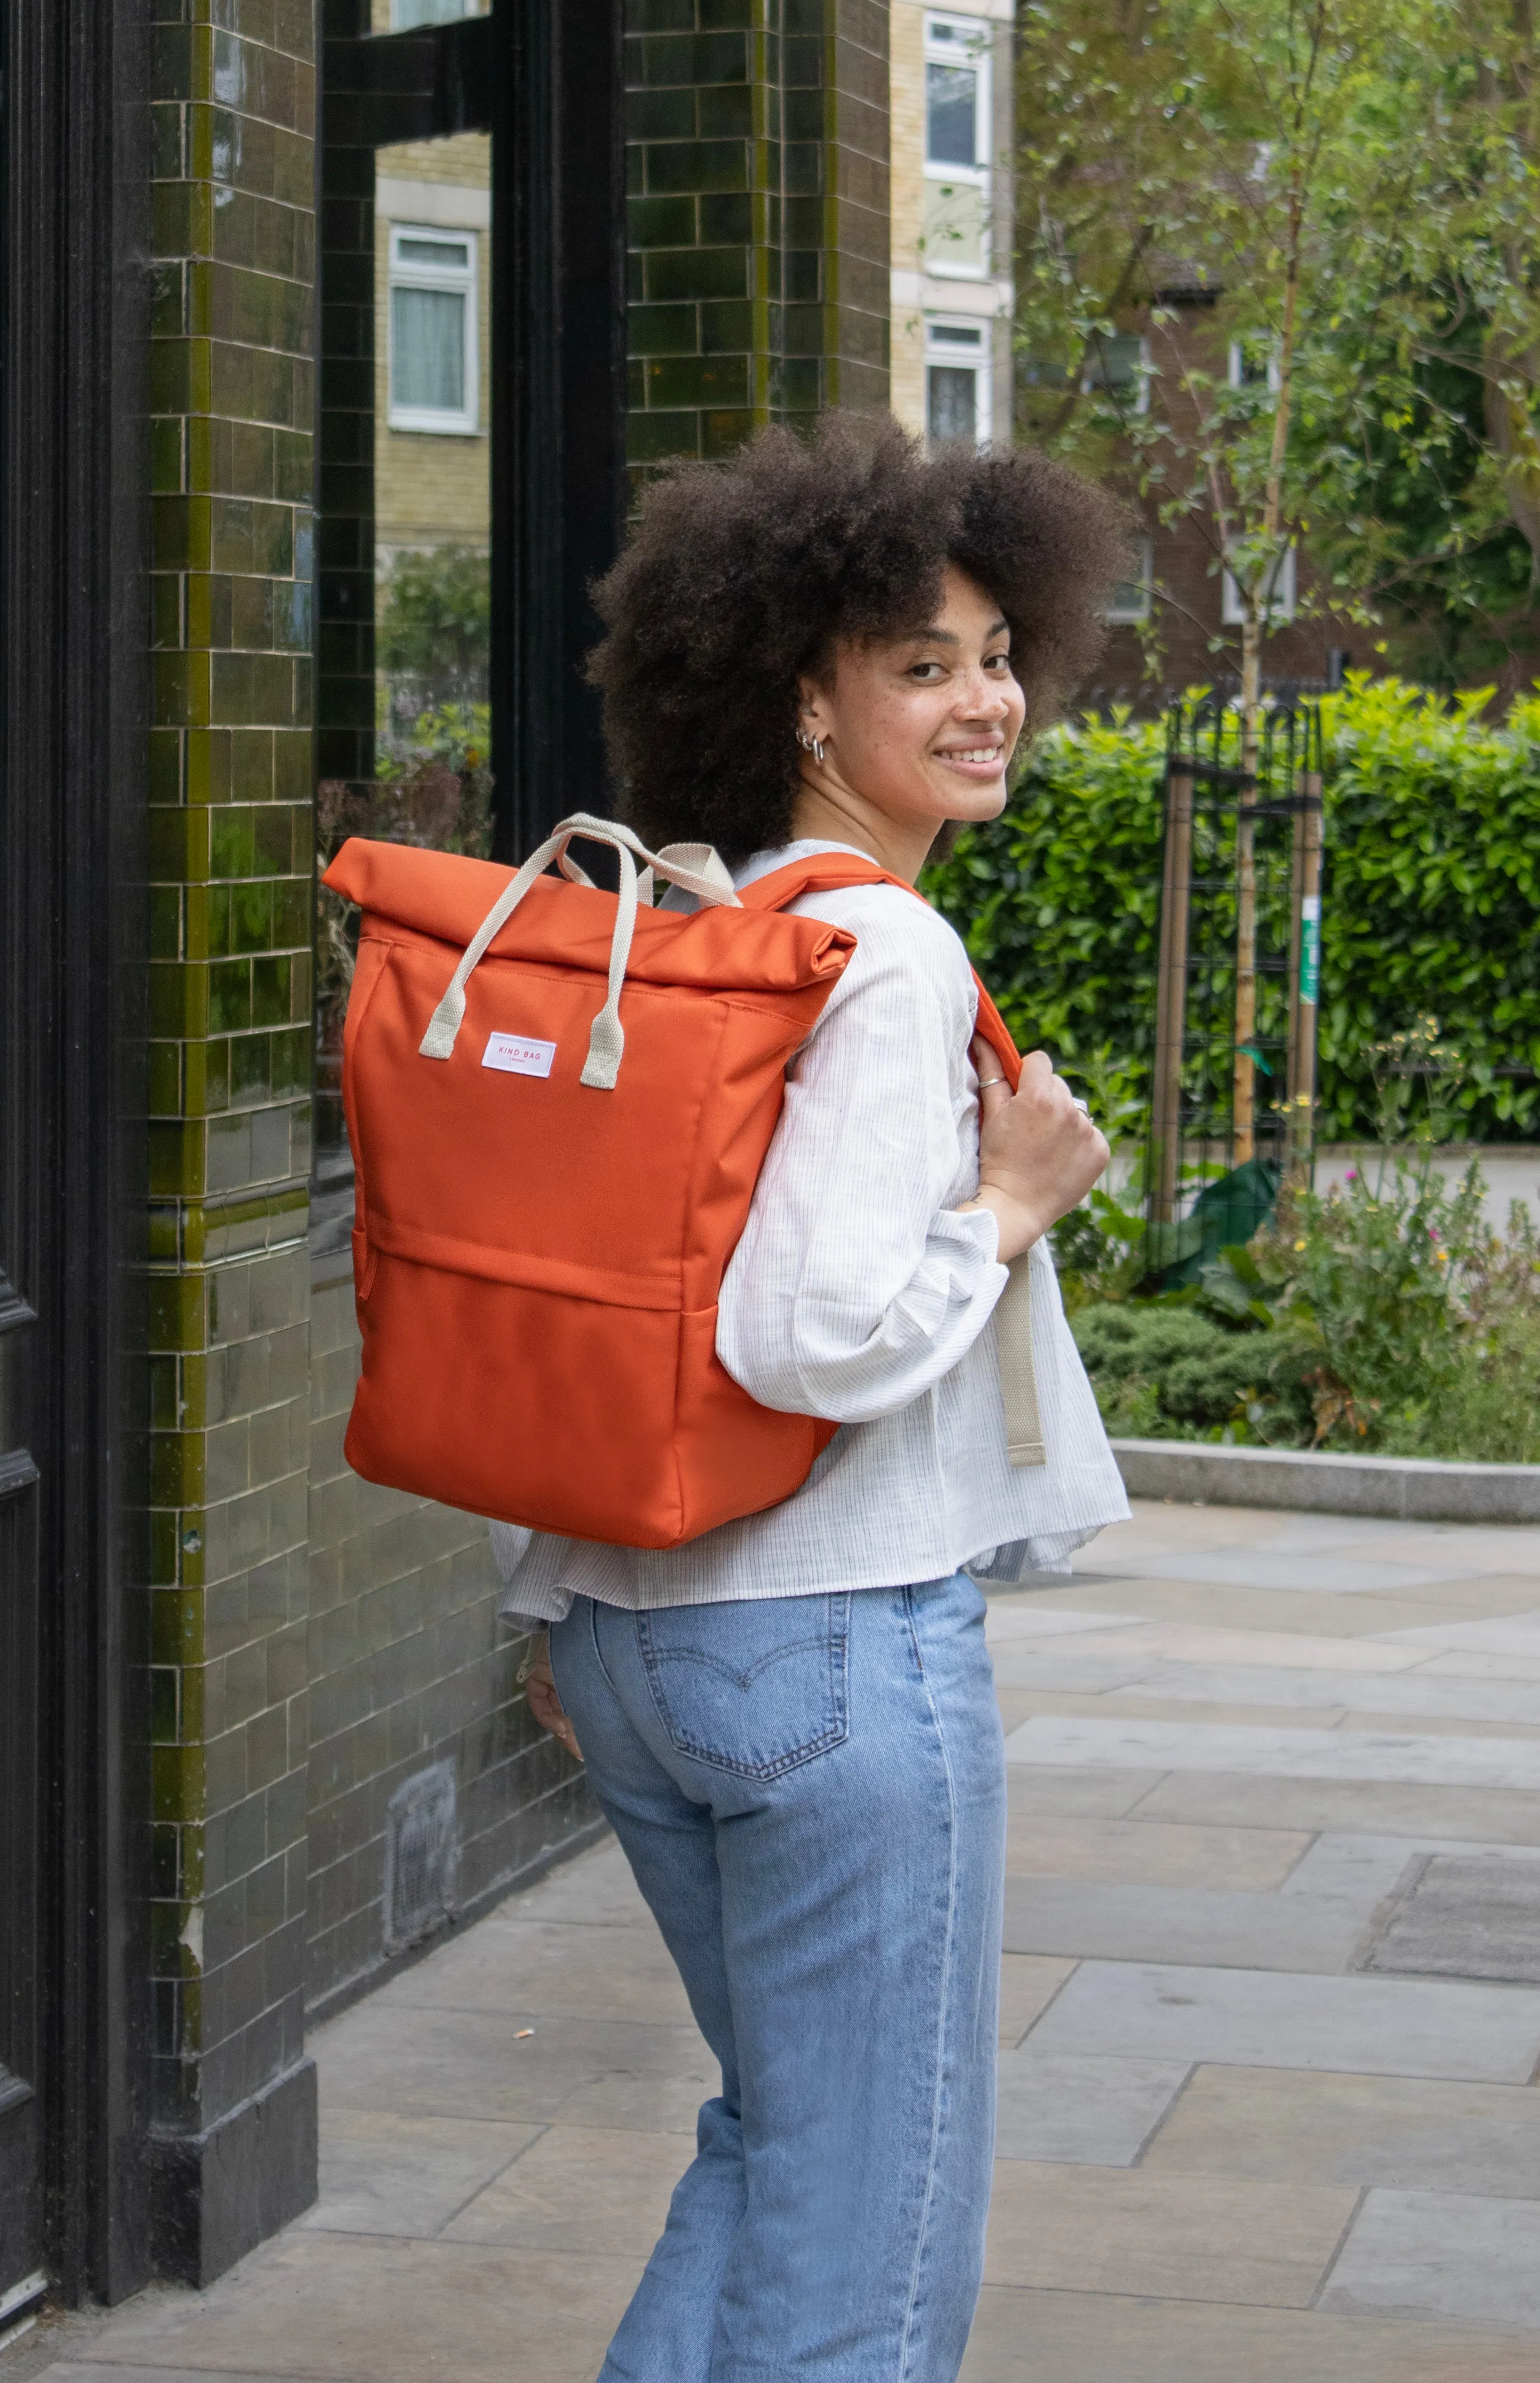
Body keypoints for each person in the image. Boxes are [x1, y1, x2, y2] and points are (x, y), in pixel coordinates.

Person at [496, 417, 1129, 2382]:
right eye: (922, 664)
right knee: (872, 2238)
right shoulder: (887, 950)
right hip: (837, 1648)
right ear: (799, 690)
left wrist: (552, 1600)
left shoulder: (711, 918)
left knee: (779, 2149)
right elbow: (804, 1336)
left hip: (645, 1643)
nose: (988, 699)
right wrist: (1009, 1209)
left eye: (999, 650)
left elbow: (623, 1287)